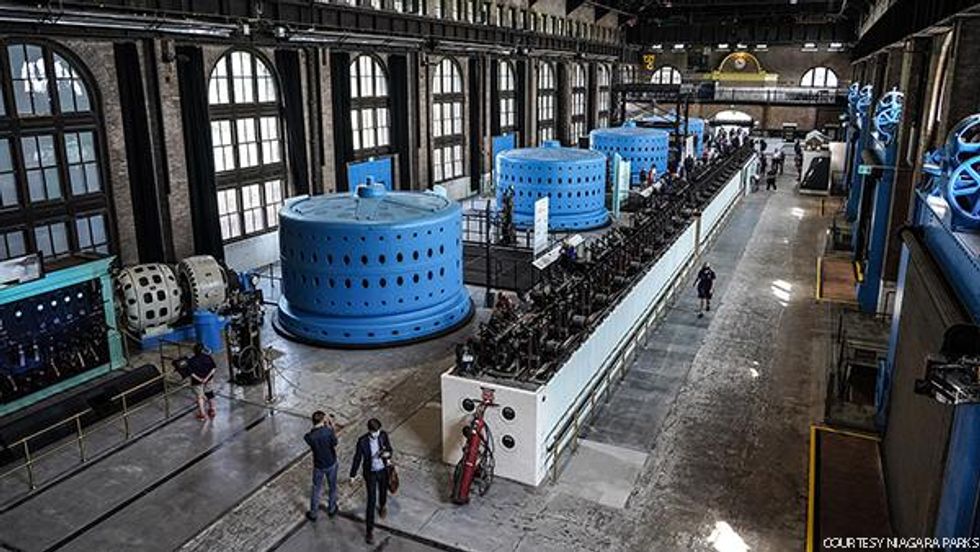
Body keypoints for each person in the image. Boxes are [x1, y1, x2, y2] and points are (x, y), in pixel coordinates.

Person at [350, 418, 393, 544]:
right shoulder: (362, 441)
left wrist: (387, 455)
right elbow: (357, 458)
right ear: (369, 430)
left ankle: (383, 505)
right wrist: (352, 475)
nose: (377, 433)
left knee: (383, 491)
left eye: (378, 431)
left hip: (383, 471)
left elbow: (390, 449)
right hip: (371, 473)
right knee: (371, 500)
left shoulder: (383, 435)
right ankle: (369, 531)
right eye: (375, 432)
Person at [305, 410, 339, 522]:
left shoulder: (310, 437)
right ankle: (331, 509)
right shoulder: (328, 432)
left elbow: (309, 436)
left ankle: (313, 513)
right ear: (323, 420)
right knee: (332, 486)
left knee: (316, 489)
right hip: (331, 463)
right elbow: (335, 443)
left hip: (318, 465)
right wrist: (331, 427)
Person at [187, 343, 216, 420]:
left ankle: (202, 414)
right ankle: (212, 410)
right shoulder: (208, 357)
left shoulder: (191, 361)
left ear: (194, 351)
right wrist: (206, 378)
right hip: (208, 379)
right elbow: (213, 369)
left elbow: (191, 373)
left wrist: (200, 379)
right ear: (203, 350)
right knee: (210, 393)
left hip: (197, 382)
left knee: (199, 397)